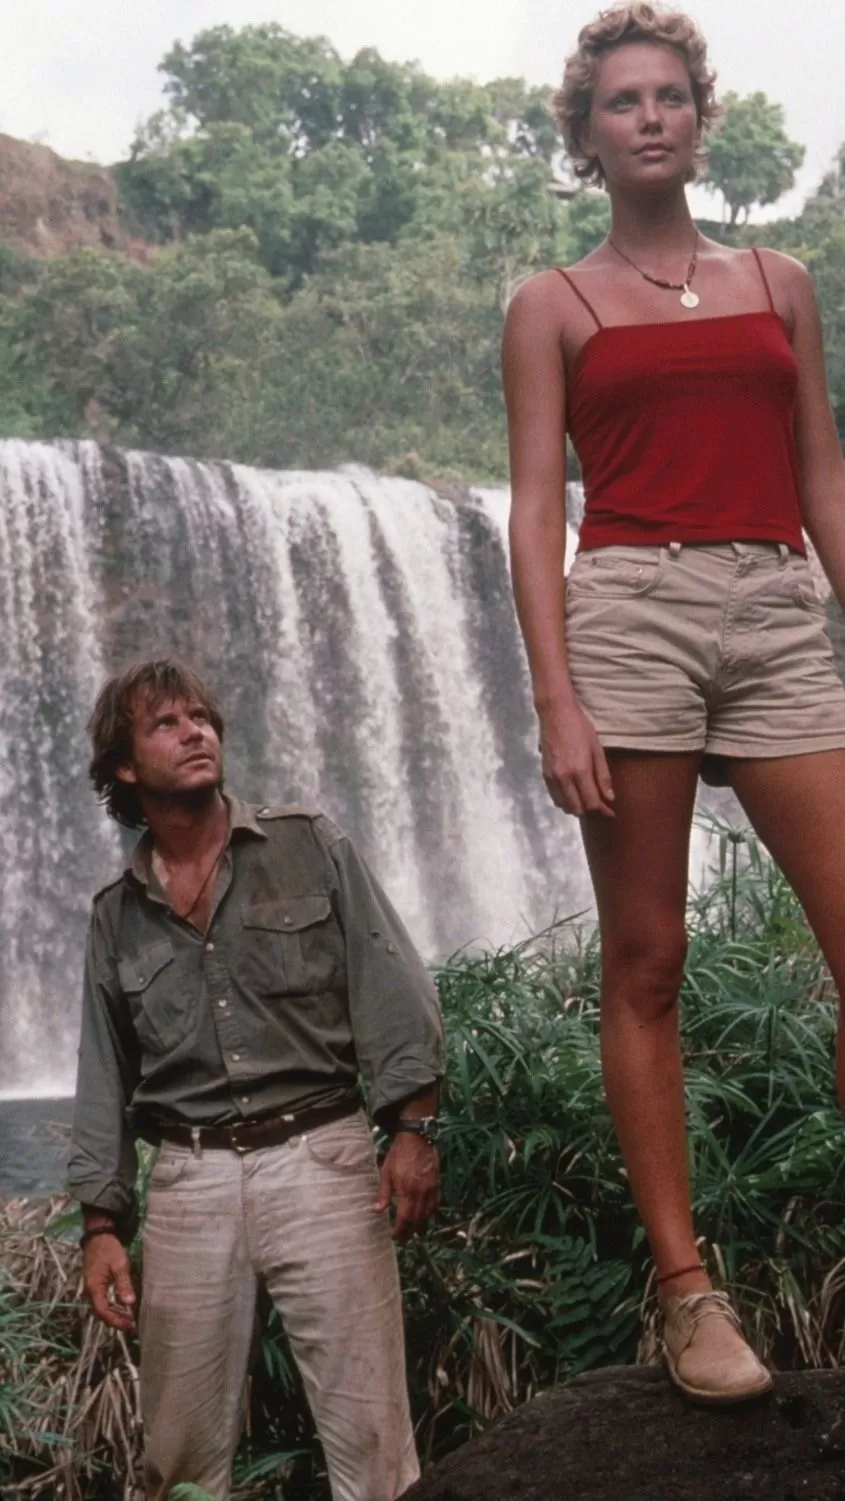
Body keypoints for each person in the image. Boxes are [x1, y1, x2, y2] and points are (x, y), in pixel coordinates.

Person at [502, 1, 845, 1406]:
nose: (648, 117)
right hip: (630, 612)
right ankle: (687, 1289)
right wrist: (556, 699)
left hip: (775, 608)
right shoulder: (551, 305)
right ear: (585, 136)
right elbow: (537, 511)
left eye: (668, 97)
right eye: (620, 101)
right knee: (646, 960)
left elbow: (821, 475)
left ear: (700, 119)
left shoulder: (779, 279)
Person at [67, 656, 445, 1501]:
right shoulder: (116, 916)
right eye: (167, 723)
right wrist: (100, 1225)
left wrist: (413, 1129)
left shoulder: (308, 843)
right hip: (189, 1180)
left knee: (374, 1446)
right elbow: (103, 1073)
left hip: (322, 1156)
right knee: (177, 1459)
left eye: (202, 717)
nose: (195, 731)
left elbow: (392, 984)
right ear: (124, 766)